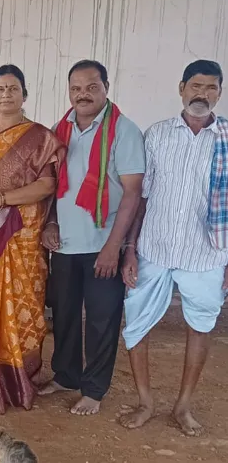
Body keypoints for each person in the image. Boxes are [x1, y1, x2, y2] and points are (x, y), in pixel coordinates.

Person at [119, 60, 227, 437]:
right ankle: (145, 402)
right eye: (196, 86)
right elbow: (142, 198)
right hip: (154, 247)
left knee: (201, 325)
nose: (202, 94)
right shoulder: (157, 135)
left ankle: (183, 406)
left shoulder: (225, 139)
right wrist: (130, 249)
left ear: (219, 93)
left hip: (207, 252)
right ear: (181, 88)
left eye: (211, 88)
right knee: (137, 323)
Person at [38, 60, 145, 416]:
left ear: (106, 88)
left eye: (91, 87)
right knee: (65, 315)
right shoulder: (59, 130)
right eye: (76, 88)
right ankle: (66, 376)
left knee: (102, 320)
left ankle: (94, 390)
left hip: (103, 246)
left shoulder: (124, 131)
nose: (82, 94)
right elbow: (53, 187)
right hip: (65, 244)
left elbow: (132, 193)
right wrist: (51, 223)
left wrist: (115, 247)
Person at [0, 64, 66, 414]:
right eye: (0, 89)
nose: (6, 94)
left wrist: (1, 199)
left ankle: (16, 380)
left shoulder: (39, 137)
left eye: (13, 88)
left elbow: (47, 185)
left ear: (24, 94)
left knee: (22, 306)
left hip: (22, 235)